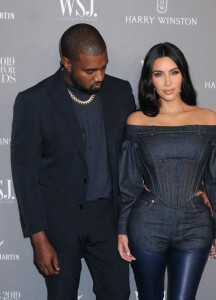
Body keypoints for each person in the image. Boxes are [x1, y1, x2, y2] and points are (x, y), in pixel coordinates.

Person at [11, 24, 135, 300]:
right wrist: (39, 239)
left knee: (117, 294)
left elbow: (136, 153)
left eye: (104, 67)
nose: (99, 76)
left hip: (108, 222)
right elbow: (25, 177)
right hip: (59, 226)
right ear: (66, 63)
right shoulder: (34, 102)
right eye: (90, 71)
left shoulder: (120, 92)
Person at [117, 42, 216, 300]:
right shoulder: (136, 121)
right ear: (150, 80)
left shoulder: (208, 118)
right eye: (158, 74)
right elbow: (127, 183)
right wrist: (122, 228)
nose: (167, 81)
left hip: (196, 223)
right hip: (147, 223)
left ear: (183, 74)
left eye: (174, 72)